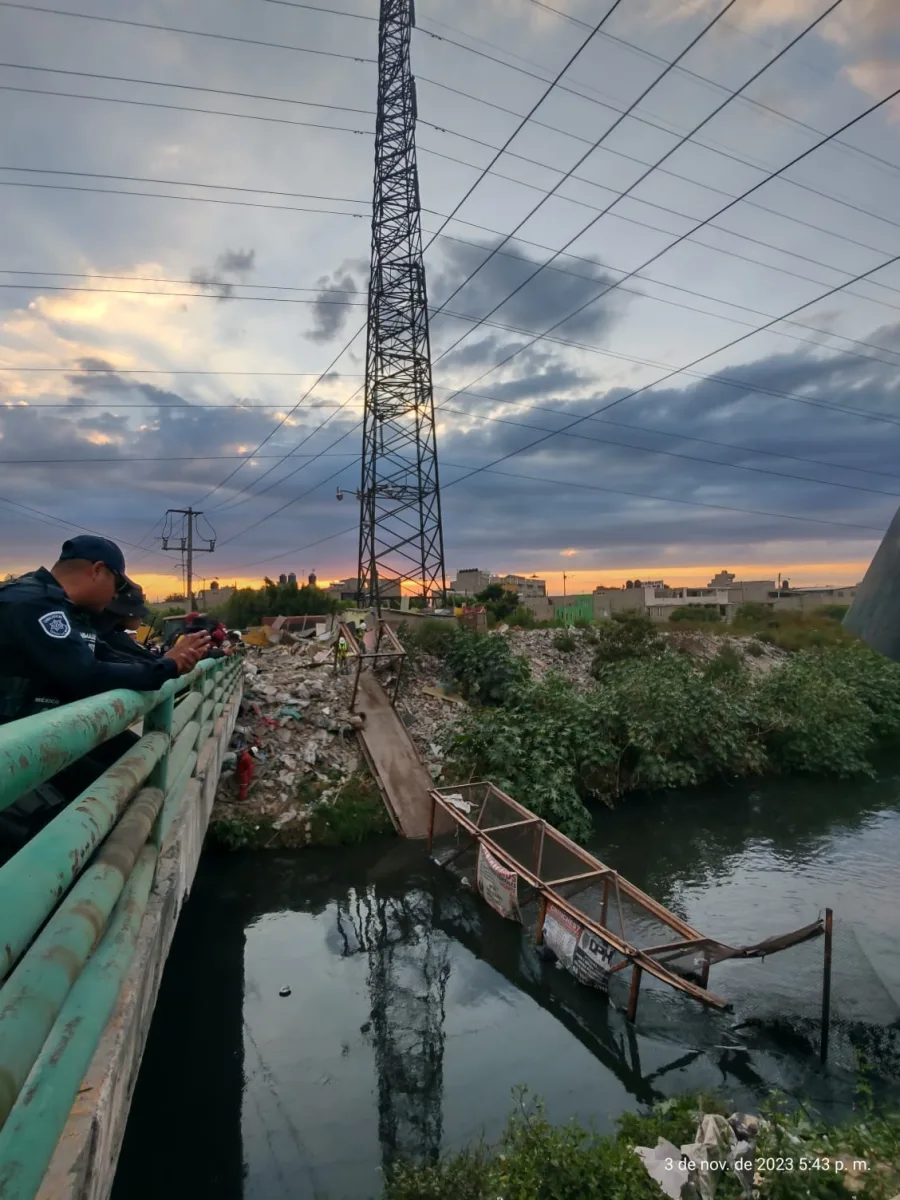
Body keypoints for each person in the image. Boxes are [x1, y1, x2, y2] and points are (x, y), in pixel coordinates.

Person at [0, 537, 210, 842]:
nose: (116, 595)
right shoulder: (33, 603)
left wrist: (167, 665)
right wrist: (167, 666)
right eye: (117, 584)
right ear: (98, 570)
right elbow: (85, 673)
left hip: (30, 736)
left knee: (132, 766)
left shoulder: (61, 606)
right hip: (14, 745)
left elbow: (107, 657)